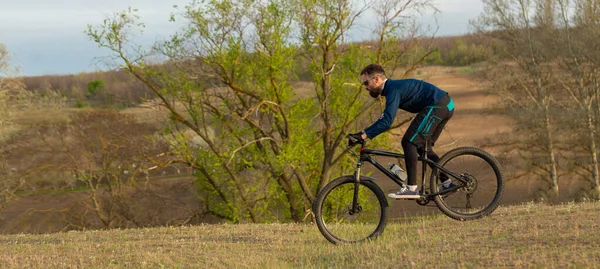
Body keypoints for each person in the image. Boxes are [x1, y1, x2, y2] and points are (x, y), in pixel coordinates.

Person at [349, 64, 456, 199]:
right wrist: (364, 133)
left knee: (408, 142)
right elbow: (385, 119)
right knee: (423, 148)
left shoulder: (393, 89)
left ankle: (411, 188)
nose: (365, 87)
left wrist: (363, 135)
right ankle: (447, 183)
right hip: (446, 104)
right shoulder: (392, 89)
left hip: (438, 105)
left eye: (366, 82)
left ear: (376, 79)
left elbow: (387, 121)